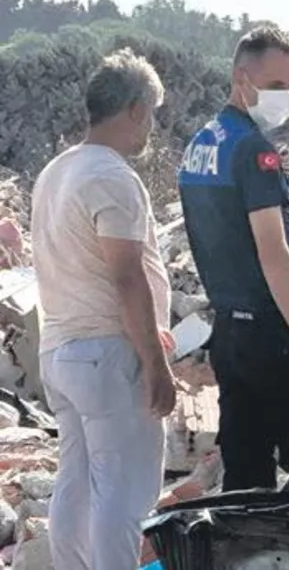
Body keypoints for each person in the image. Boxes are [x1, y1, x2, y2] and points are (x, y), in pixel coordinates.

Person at [177, 26, 289, 566]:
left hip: (230, 335)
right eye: (278, 82)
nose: (288, 95)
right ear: (242, 78)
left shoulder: (202, 144)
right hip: (274, 334)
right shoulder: (255, 151)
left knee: (247, 480)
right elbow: (273, 252)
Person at [31, 48, 176, 570]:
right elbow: (126, 276)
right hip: (108, 355)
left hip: (61, 352)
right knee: (126, 493)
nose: (151, 129)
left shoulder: (56, 171)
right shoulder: (111, 176)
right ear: (136, 109)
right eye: (152, 115)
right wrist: (155, 365)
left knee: (76, 484)